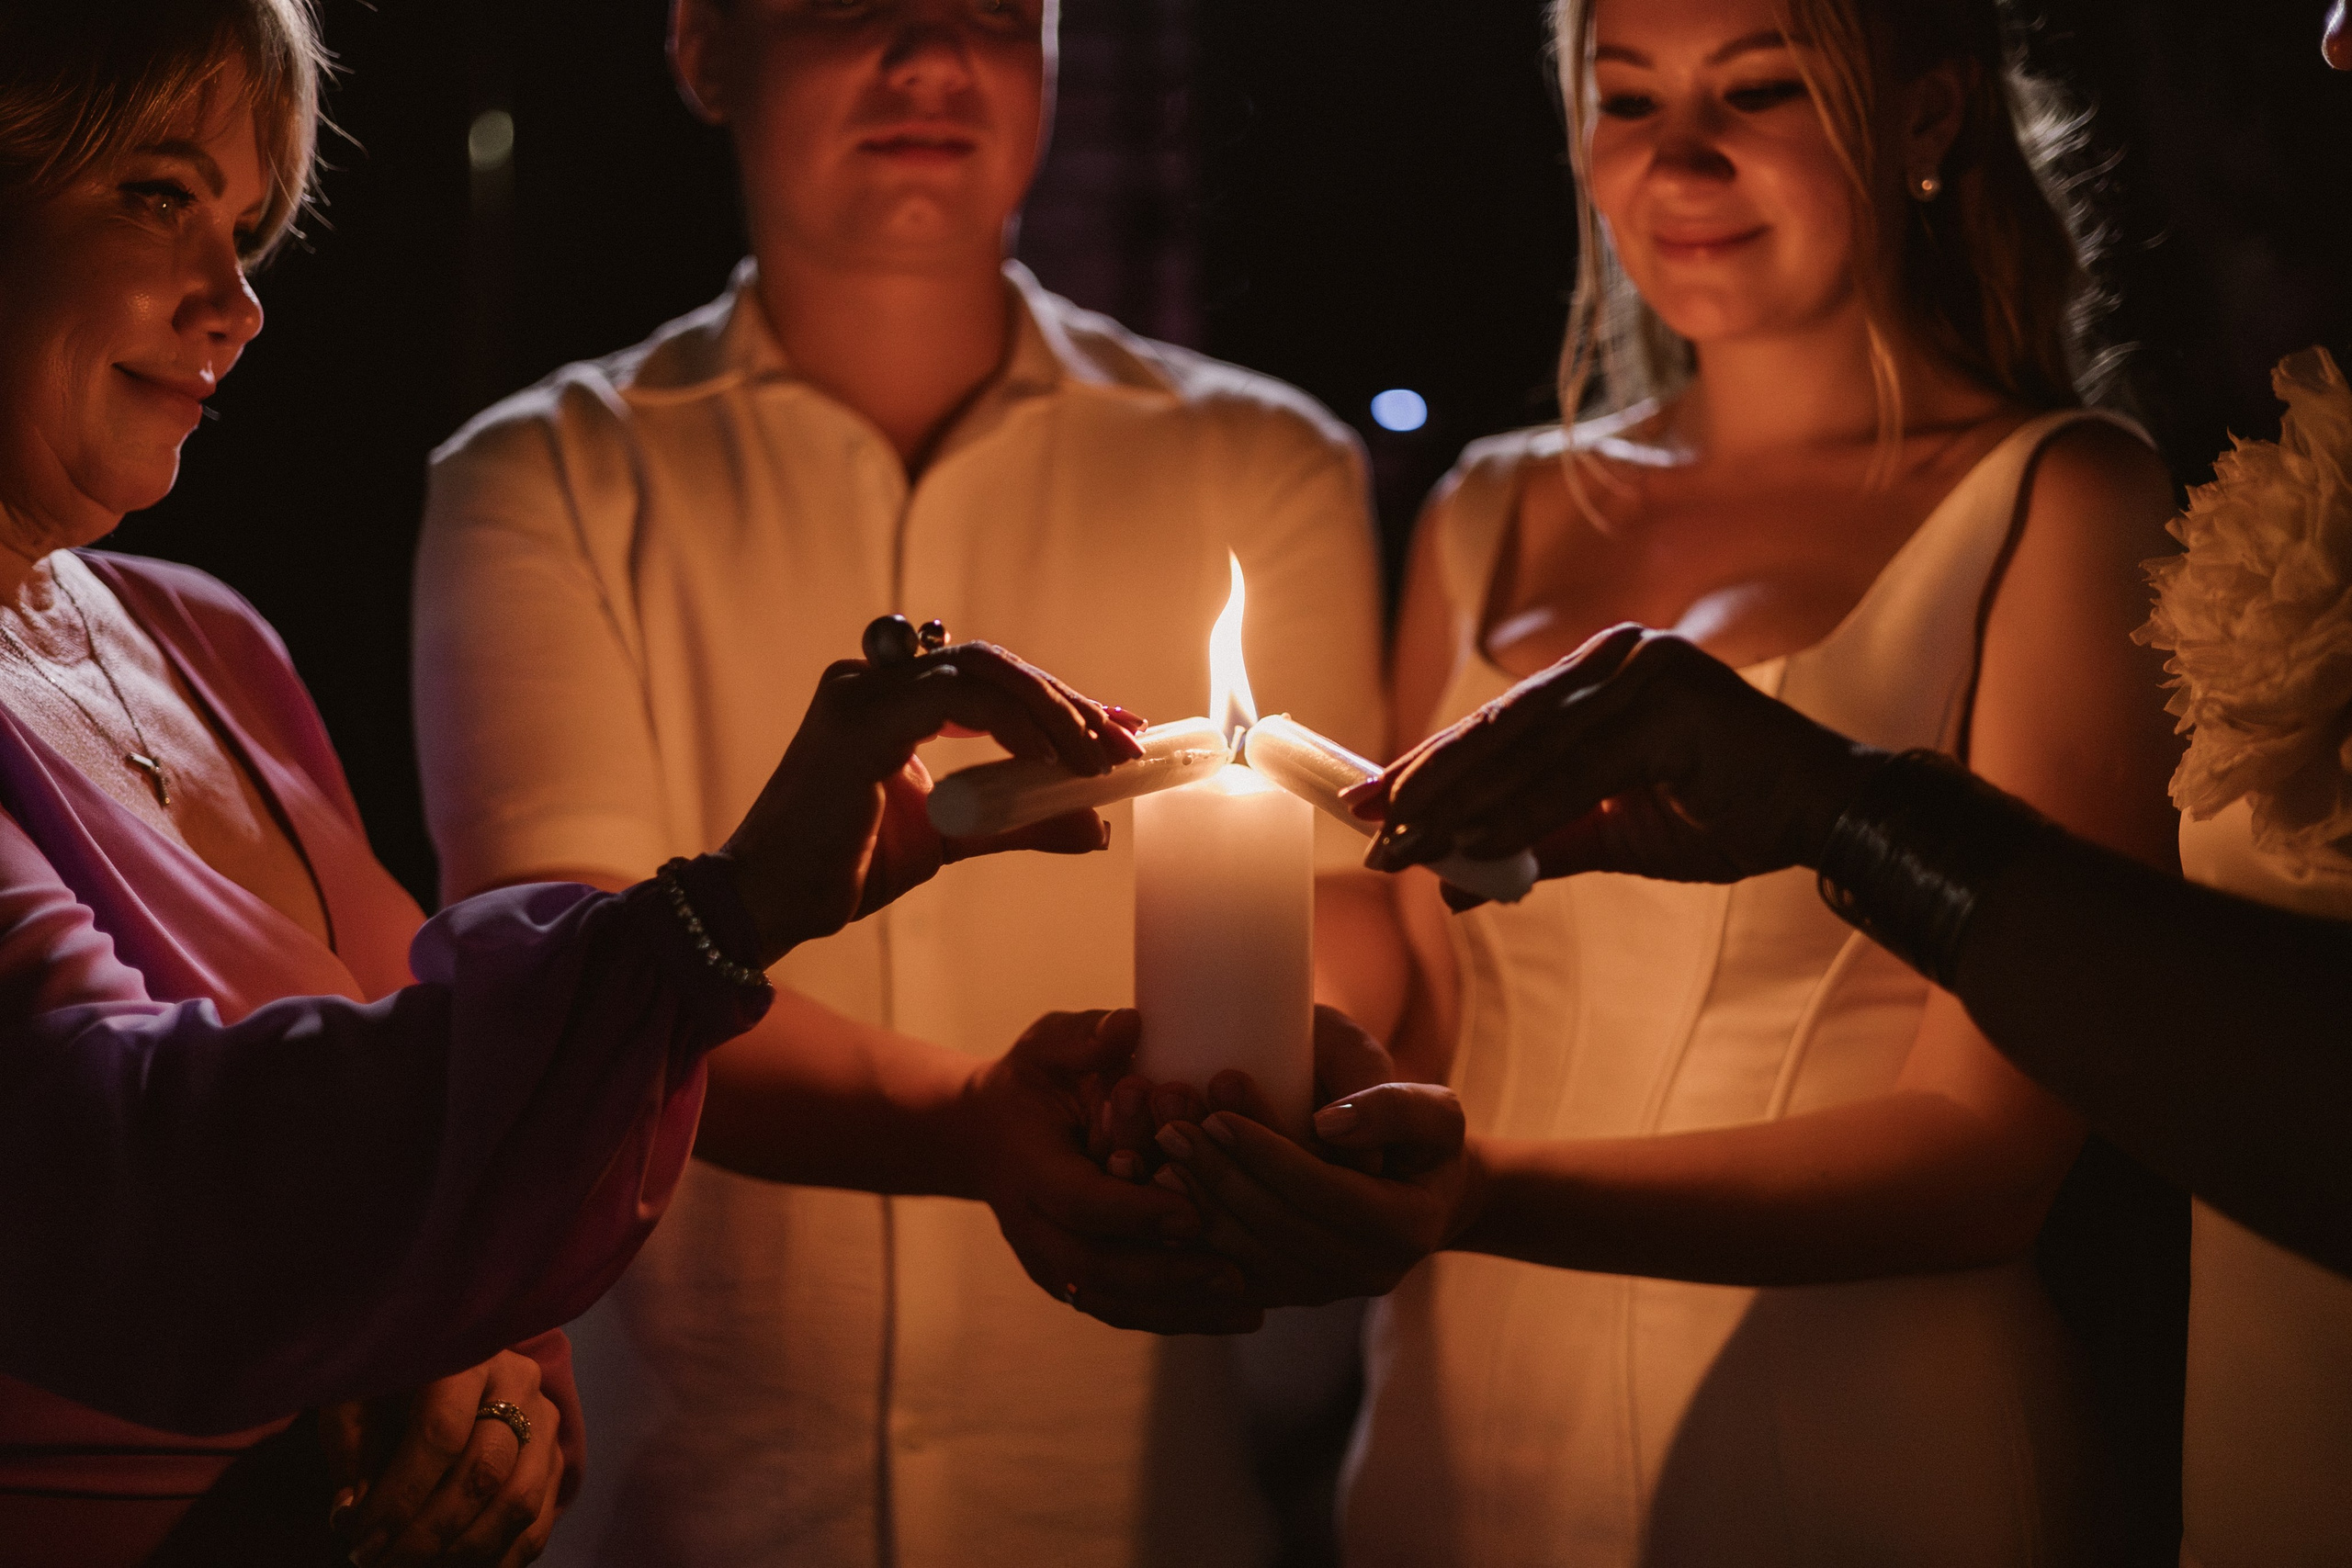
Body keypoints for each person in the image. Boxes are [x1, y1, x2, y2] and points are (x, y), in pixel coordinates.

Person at [0, 5, 1160, 1564]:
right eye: (158, 195)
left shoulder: (202, 639)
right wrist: (725, 916)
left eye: (251, 223)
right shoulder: (548, 470)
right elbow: (140, 1179)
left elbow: (434, 1092)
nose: (239, 304)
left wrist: (481, 1381)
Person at [1142, 0, 2188, 1561]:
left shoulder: (2064, 497)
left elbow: (1989, 1161)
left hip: (1854, 1426)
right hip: (1458, 1420)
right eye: (1626, 99)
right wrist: (1235, 1025)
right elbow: (1423, 985)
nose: (1680, 157)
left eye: (1759, 88)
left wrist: (1483, 1194)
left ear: (1925, 118)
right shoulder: (1488, 507)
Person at [410, 0, 1390, 1562]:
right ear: (702, 48)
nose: (928, 57)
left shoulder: (1259, 463)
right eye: (846, 5)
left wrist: (1291, 1097)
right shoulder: (551, 476)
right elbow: (565, 971)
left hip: (1134, 1501)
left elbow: (1346, 911)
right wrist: (973, 1128)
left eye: (996, 12)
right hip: (698, 1495)